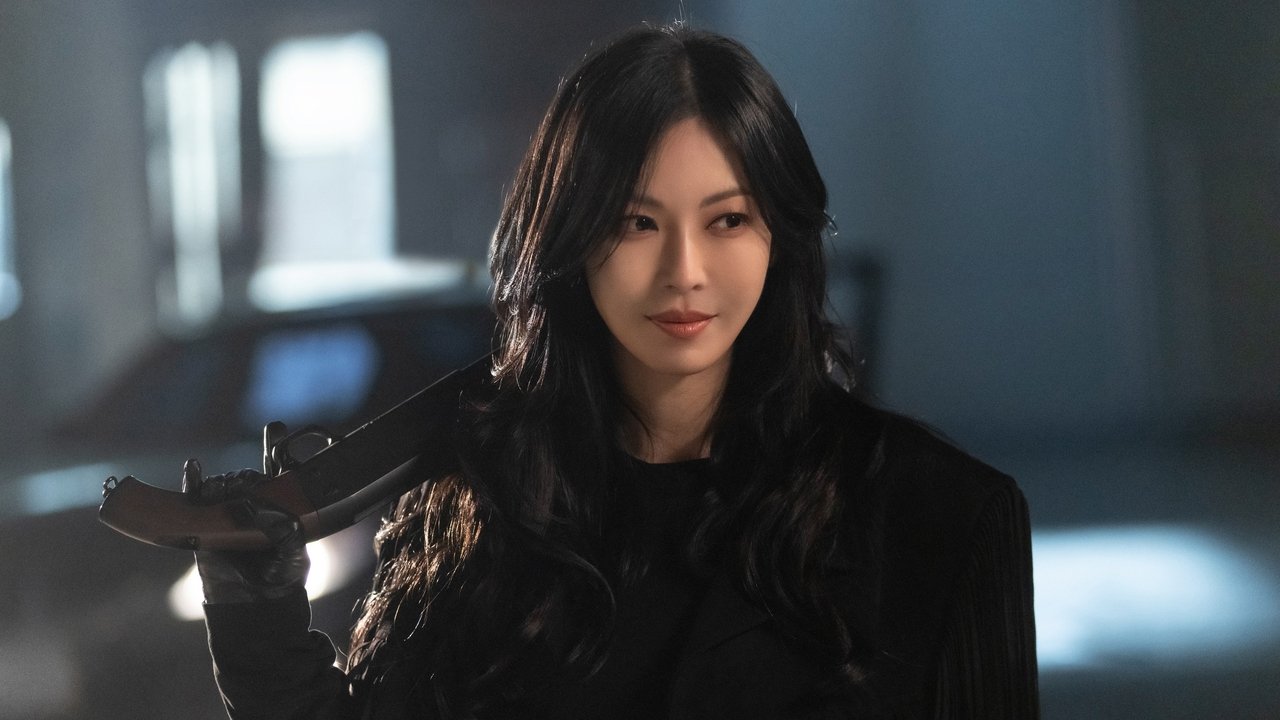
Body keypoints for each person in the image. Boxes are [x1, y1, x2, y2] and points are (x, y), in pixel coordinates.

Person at [187, 23, 1039, 720]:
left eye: (728, 220)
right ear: (572, 242)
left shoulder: (938, 518)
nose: (685, 272)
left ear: (781, 236)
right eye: (637, 223)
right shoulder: (487, 498)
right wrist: (256, 624)